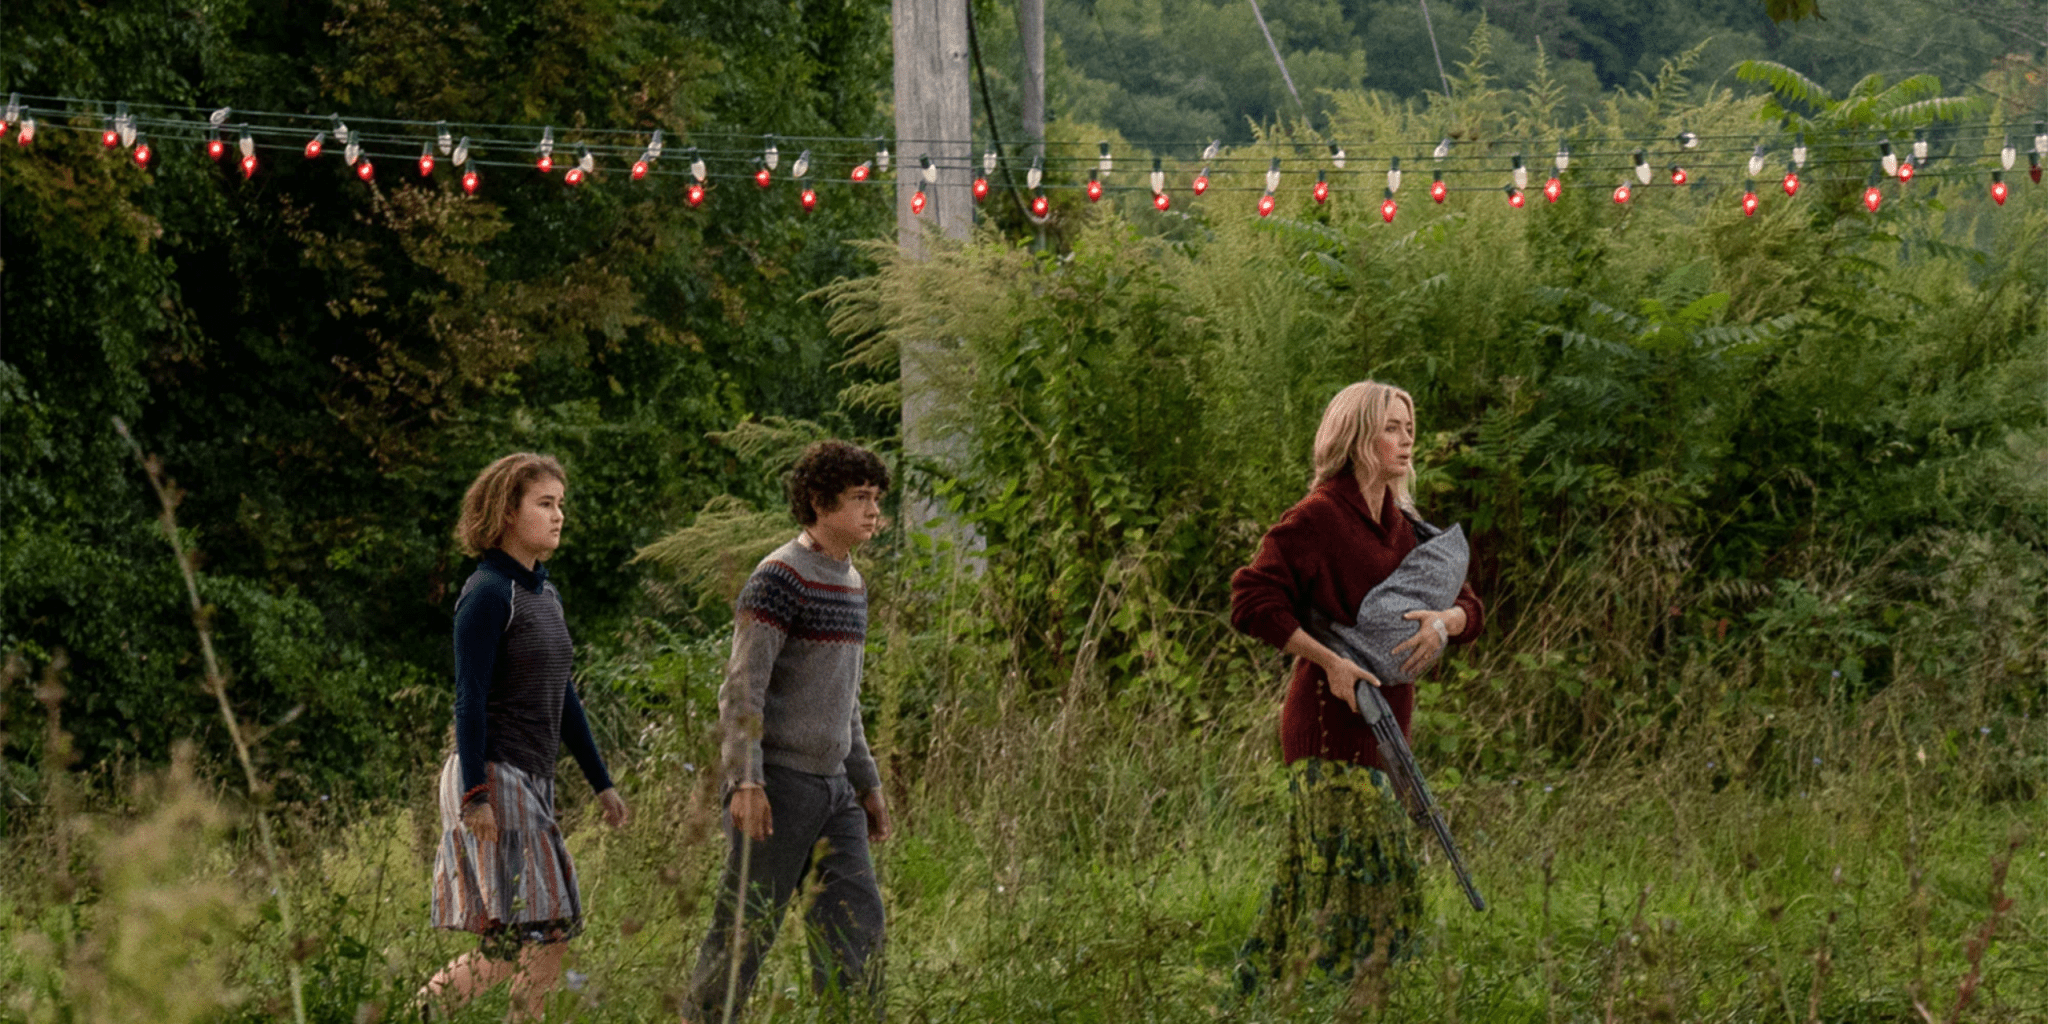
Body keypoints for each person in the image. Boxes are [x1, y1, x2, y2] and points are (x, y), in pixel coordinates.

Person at [1228, 381, 1484, 993]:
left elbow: (1471, 607)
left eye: (1409, 427)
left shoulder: (1408, 525)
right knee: (1374, 866)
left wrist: (1445, 624)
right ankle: (1339, 991)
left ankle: (1267, 987)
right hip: (1326, 719)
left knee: (1318, 871)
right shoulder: (1318, 517)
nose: (1406, 439)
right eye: (1391, 428)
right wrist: (1331, 663)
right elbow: (1250, 599)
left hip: (1389, 726)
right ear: (1356, 438)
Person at [683, 440, 894, 1023]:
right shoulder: (779, 577)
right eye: (859, 498)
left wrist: (867, 784)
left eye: (876, 498)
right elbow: (742, 690)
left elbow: (843, 699)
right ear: (818, 502)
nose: (873, 510)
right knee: (745, 930)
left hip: (835, 790)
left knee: (857, 924)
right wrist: (746, 781)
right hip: (778, 784)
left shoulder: (851, 583)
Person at [418, 453, 631, 1022]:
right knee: (540, 932)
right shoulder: (488, 593)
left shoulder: (545, 595)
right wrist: (475, 794)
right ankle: (421, 1010)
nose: (559, 516)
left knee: (531, 938)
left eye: (560, 504)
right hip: (494, 772)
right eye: (545, 504)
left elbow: (564, 698)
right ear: (508, 512)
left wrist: (602, 784)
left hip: (530, 778)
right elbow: (468, 696)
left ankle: (432, 1010)